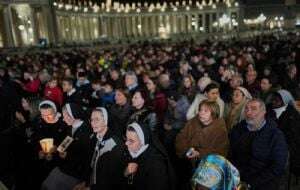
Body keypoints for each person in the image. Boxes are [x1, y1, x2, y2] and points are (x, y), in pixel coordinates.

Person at [229, 99, 288, 190]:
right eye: (246, 109)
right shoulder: (238, 129)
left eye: (253, 109)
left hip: (263, 182)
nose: (248, 112)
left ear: (263, 112)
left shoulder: (275, 135)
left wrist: (251, 183)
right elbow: (231, 155)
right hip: (238, 177)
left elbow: (277, 166)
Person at [41, 103, 93, 190]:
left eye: (65, 116)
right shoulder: (71, 126)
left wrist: (67, 155)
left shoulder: (86, 131)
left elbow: (87, 157)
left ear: (73, 115)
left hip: (75, 173)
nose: (64, 119)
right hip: (64, 166)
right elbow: (65, 144)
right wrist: (55, 150)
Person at [76, 107, 127, 190]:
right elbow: (90, 165)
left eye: (97, 119)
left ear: (105, 121)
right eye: (92, 120)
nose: (93, 123)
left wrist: (90, 188)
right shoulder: (94, 137)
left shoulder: (115, 145)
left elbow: (111, 178)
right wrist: (84, 182)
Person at [125, 122, 175, 190]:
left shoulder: (156, 163)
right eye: (126, 139)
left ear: (143, 141)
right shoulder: (131, 152)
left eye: (131, 141)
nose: (126, 143)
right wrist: (127, 172)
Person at [268, 89, 300, 176]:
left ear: (284, 100)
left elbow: (294, 136)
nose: (273, 101)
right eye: (273, 99)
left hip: (285, 146)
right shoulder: (268, 110)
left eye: (277, 99)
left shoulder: (293, 114)